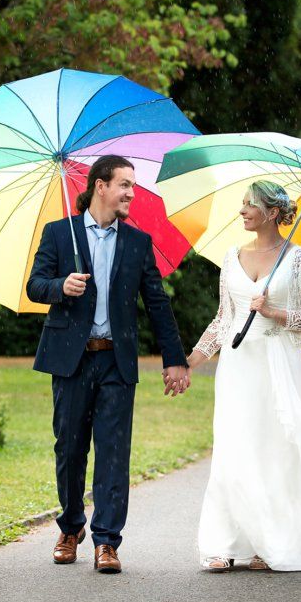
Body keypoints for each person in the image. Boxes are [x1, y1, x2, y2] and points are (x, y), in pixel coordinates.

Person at [26, 154, 191, 574]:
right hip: (71, 361)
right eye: (125, 185)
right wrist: (61, 286)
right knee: (69, 448)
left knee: (114, 453)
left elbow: (157, 303)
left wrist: (175, 359)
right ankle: (70, 527)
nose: (131, 194)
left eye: (132, 186)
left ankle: (106, 541)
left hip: (117, 362)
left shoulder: (137, 242)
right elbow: (35, 285)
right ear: (100, 186)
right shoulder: (59, 233)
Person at [187, 180, 301, 572]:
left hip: (278, 363)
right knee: (233, 448)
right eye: (242, 203)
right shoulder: (231, 257)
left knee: (274, 452)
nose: (242, 210)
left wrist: (273, 311)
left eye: (250, 204)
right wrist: (191, 359)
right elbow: (223, 319)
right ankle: (224, 543)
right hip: (237, 366)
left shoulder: (298, 260)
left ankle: (270, 542)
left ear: (273, 212)